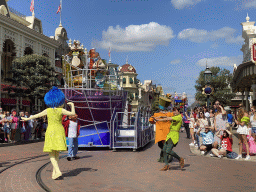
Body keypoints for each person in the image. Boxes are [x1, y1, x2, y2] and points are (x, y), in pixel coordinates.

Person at [21, 86, 75, 180]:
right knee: (56, 152)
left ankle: (57, 171)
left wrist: (27, 118)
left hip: (50, 131)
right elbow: (72, 113)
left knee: (51, 153)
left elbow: (36, 115)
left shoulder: (48, 110)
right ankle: (55, 173)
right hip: (59, 130)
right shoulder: (61, 110)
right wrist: (72, 105)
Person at [149, 96, 173, 163]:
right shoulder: (170, 114)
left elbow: (150, 120)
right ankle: (163, 158)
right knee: (165, 146)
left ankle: (166, 158)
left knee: (162, 146)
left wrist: (155, 119)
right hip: (168, 133)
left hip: (160, 134)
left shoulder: (156, 114)